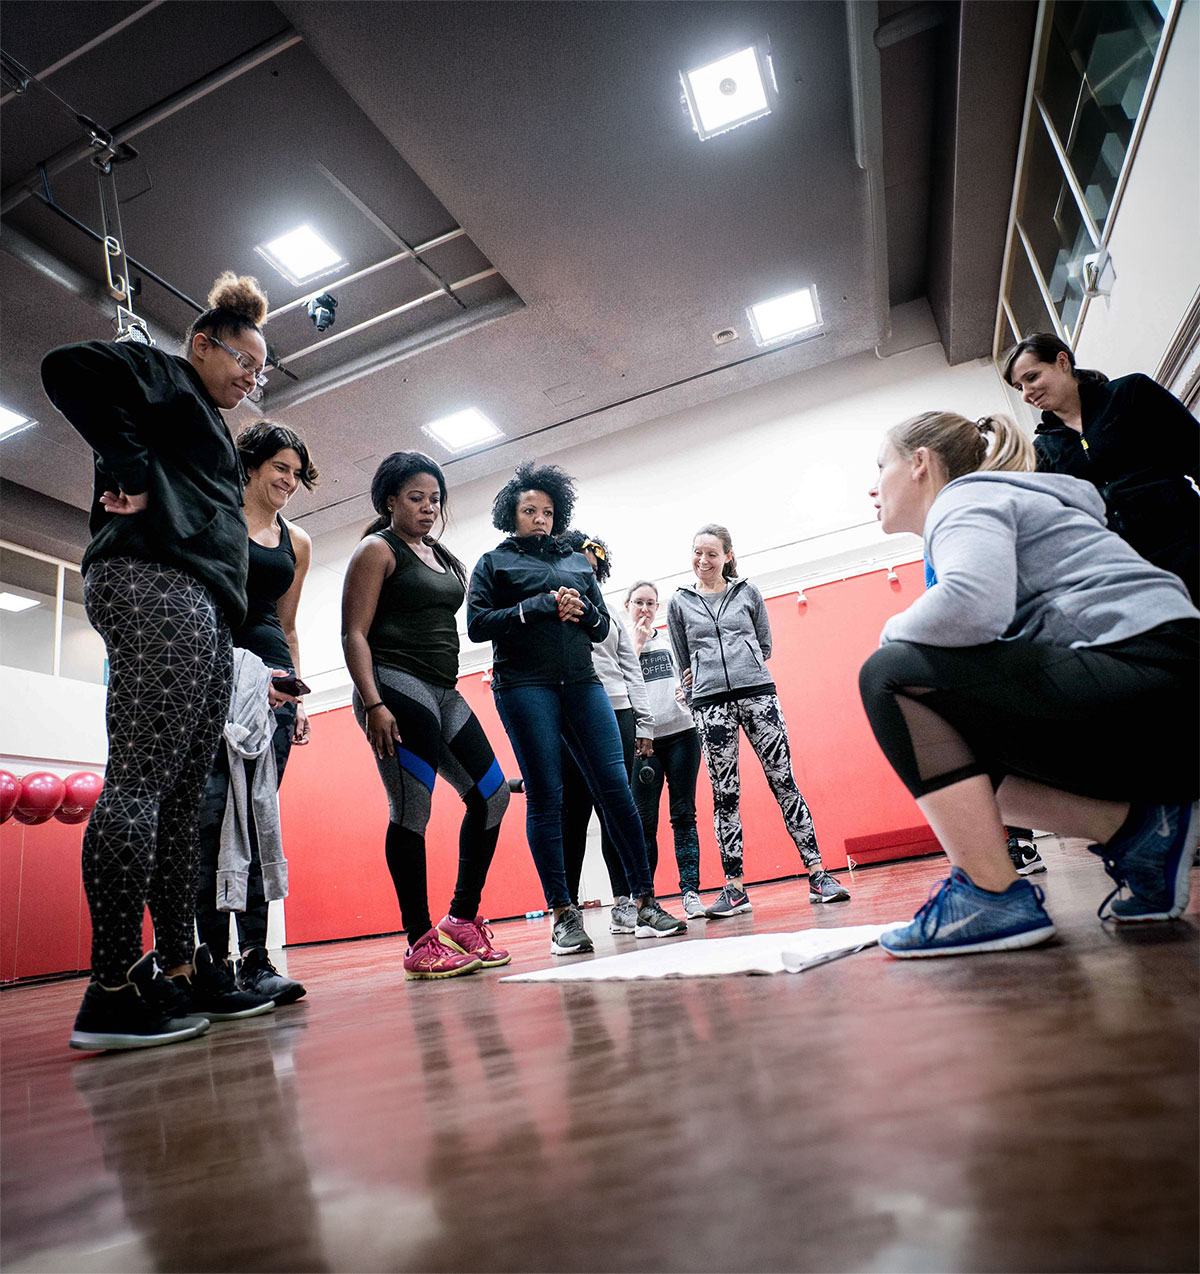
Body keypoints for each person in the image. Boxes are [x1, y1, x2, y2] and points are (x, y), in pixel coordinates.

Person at [861, 411, 1198, 957]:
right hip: (1163, 689)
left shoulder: (964, 498)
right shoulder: (998, 501)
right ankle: (1139, 833)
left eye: (881, 466)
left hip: (1156, 676)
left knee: (889, 676)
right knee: (952, 744)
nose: (872, 486)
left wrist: (888, 637)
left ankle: (991, 896)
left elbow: (971, 606)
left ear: (920, 463)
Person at [42, 271, 279, 1050]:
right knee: (143, 783)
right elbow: (68, 369)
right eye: (244, 360)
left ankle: (179, 971)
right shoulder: (167, 374)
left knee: (180, 803)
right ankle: (111, 988)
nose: (252, 377)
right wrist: (130, 468)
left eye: (262, 370)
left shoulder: (206, 421)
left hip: (202, 601)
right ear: (205, 345)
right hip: (151, 581)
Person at [466, 462, 686, 954]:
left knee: (618, 792)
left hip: (583, 684)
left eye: (547, 511)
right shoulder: (493, 563)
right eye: (529, 510)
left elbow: (605, 625)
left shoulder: (578, 563)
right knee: (547, 796)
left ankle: (644, 900)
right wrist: (533, 608)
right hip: (524, 686)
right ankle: (563, 914)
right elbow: (478, 625)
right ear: (511, 514)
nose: (539, 519)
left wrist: (582, 611)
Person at [342, 452, 511, 980]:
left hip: (444, 690)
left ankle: (461, 919)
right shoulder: (377, 549)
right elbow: (354, 634)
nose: (428, 507)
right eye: (416, 497)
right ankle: (419, 940)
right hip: (394, 685)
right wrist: (373, 704)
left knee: (493, 794)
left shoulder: (439, 553)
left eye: (435, 498)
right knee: (413, 808)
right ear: (389, 500)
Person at [194, 422, 317, 1006]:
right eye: (281, 469)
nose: (290, 482)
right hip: (220, 675)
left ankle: (259, 961)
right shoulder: (213, 516)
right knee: (215, 819)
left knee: (260, 817)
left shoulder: (299, 541)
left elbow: (287, 624)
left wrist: (294, 692)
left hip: (275, 688)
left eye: (297, 473)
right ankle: (216, 963)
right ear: (251, 464)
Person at [667, 525, 850, 917]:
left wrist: (741, 660)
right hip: (710, 705)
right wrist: (699, 676)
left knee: (784, 782)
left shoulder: (747, 592)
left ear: (728, 556)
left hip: (758, 697)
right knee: (725, 796)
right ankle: (734, 889)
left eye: (712, 554)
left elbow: (764, 644)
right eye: (697, 553)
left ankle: (819, 874)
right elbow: (681, 657)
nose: (703, 561)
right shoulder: (679, 602)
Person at [1004, 333, 1199, 603]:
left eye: (1032, 377)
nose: (1027, 393)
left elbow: (1195, 453)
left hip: (1188, 542)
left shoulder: (1131, 393)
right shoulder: (1042, 451)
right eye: (1018, 387)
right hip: (1130, 577)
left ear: (1062, 362)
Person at [557, 532, 660, 933]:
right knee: (573, 815)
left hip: (616, 714)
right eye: (581, 567)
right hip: (570, 716)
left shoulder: (613, 615)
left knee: (615, 809)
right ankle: (568, 914)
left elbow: (630, 668)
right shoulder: (556, 608)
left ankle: (625, 903)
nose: (588, 575)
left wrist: (645, 721)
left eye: (594, 570)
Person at [624, 579, 705, 919]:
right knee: (644, 821)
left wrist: (688, 691)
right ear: (627, 606)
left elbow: (689, 676)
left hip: (682, 733)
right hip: (645, 740)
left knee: (684, 813)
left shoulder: (671, 640)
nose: (645, 609)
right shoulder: (621, 644)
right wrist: (637, 644)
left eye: (651, 603)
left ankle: (690, 893)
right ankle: (646, 900)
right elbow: (617, 681)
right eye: (639, 602)